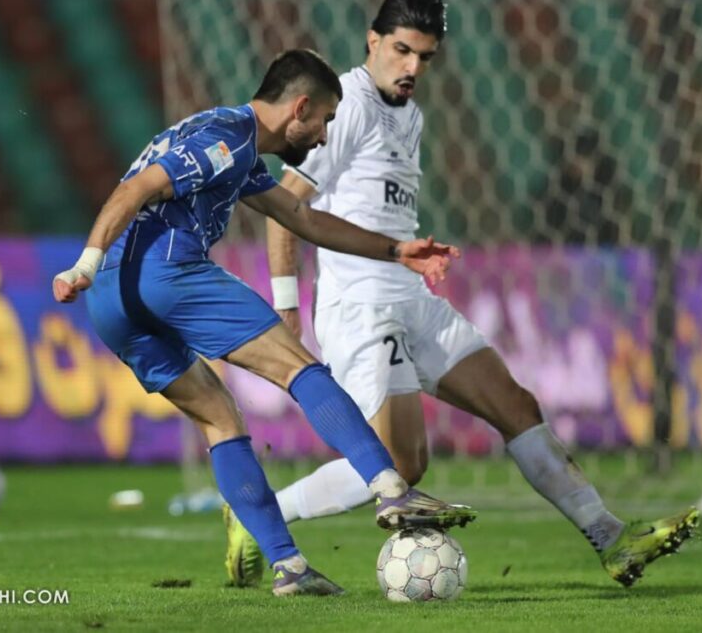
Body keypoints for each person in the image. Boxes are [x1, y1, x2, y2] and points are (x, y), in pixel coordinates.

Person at [226, 0, 699, 589]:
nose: (412, 68)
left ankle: (611, 538)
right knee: (401, 465)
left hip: (411, 297)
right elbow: (285, 208)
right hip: (362, 307)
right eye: (402, 51)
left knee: (516, 406)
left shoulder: (409, 115)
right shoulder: (347, 107)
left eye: (425, 57)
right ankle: (257, 512)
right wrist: (288, 306)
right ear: (373, 41)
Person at [52, 48, 475, 597]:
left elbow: (301, 217)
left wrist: (395, 250)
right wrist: (83, 264)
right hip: (162, 271)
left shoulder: (239, 151)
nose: (323, 136)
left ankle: (288, 566)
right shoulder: (226, 139)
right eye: (323, 120)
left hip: (112, 304)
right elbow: (134, 190)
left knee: (220, 420)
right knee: (299, 367)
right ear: (300, 108)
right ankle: (391, 487)